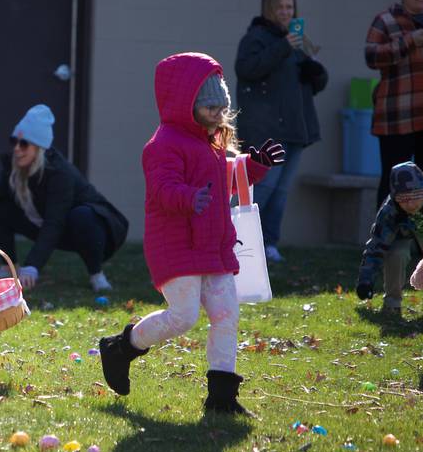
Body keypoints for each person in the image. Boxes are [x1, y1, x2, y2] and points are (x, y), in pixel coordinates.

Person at [98, 53, 284, 414]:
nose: (218, 114)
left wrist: (254, 166)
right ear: (185, 104)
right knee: (183, 316)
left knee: (226, 314)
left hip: (213, 245)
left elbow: (224, 181)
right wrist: (188, 197)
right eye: (210, 107)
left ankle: (222, 398)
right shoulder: (163, 144)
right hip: (177, 246)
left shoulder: (212, 142)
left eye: (222, 107)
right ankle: (121, 348)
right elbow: (162, 189)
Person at [0, 104, 128, 292]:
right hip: (46, 222)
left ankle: (97, 274)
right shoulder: (19, 162)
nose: (17, 148)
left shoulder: (60, 173)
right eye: (14, 141)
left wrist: (33, 266)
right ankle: (9, 268)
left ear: (39, 147)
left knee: (83, 216)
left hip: (83, 229)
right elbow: (3, 180)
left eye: (24, 144)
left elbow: (54, 222)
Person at [235, 0, 328, 263]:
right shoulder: (257, 38)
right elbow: (246, 69)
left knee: (281, 191)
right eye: (280, 7)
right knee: (263, 188)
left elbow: (310, 84)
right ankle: (238, 242)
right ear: (269, 8)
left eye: (290, 7)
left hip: (295, 128)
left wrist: (315, 72)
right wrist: (283, 47)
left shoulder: (296, 41)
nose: (286, 12)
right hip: (268, 130)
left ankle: (268, 244)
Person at [366, 0, 423, 208]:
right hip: (396, 117)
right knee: (392, 183)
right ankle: (385, 232)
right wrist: (409, 41)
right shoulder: (385, 20)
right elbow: (371, 57)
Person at [356, 161, 423, 315]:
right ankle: (392, 303)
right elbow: (376, 246)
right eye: (404, 199)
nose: (410, 204)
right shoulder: (389, 211)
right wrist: (366, 281)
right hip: (404, 237)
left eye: (415, 196)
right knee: (397, 254)